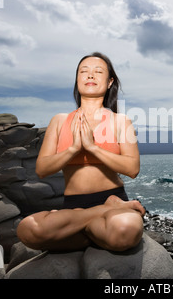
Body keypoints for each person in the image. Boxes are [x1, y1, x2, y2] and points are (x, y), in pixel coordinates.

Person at [16, 52, 145, 252]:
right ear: (77, 80)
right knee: (28, 229)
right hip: (75, 206)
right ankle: (99, 218)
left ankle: (85, 231)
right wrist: (74, 148)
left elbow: (132, 168)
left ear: (110, 82)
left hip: (112, 194)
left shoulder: (121, 121)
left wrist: (92, 148)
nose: (90, 75)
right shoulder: (59, 121)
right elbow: (42, 169)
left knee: (124, 232)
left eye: (98, 71)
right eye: (84, 71)